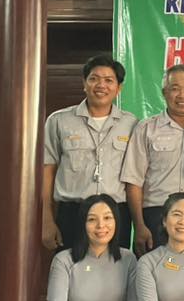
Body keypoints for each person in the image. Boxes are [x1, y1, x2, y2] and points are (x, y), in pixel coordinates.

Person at [42, 56, 137, 252]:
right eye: (94, 79)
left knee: (115, 269)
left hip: (116, 212)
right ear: (84, 83)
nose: (101, 85)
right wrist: (46, 220)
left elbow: (135, 177)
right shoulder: (59, 121)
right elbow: (47, 171)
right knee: (72, 267)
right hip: (72, 212)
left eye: (109, 80)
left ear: (119, 88)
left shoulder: (131, 123)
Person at [121, 65, 184, 255]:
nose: (182, 95)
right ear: (164, 92)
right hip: (156, 216)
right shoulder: (146, 128)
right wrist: (139, 225)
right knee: (153, 269)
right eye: (175, 88)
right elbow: (133, 181)